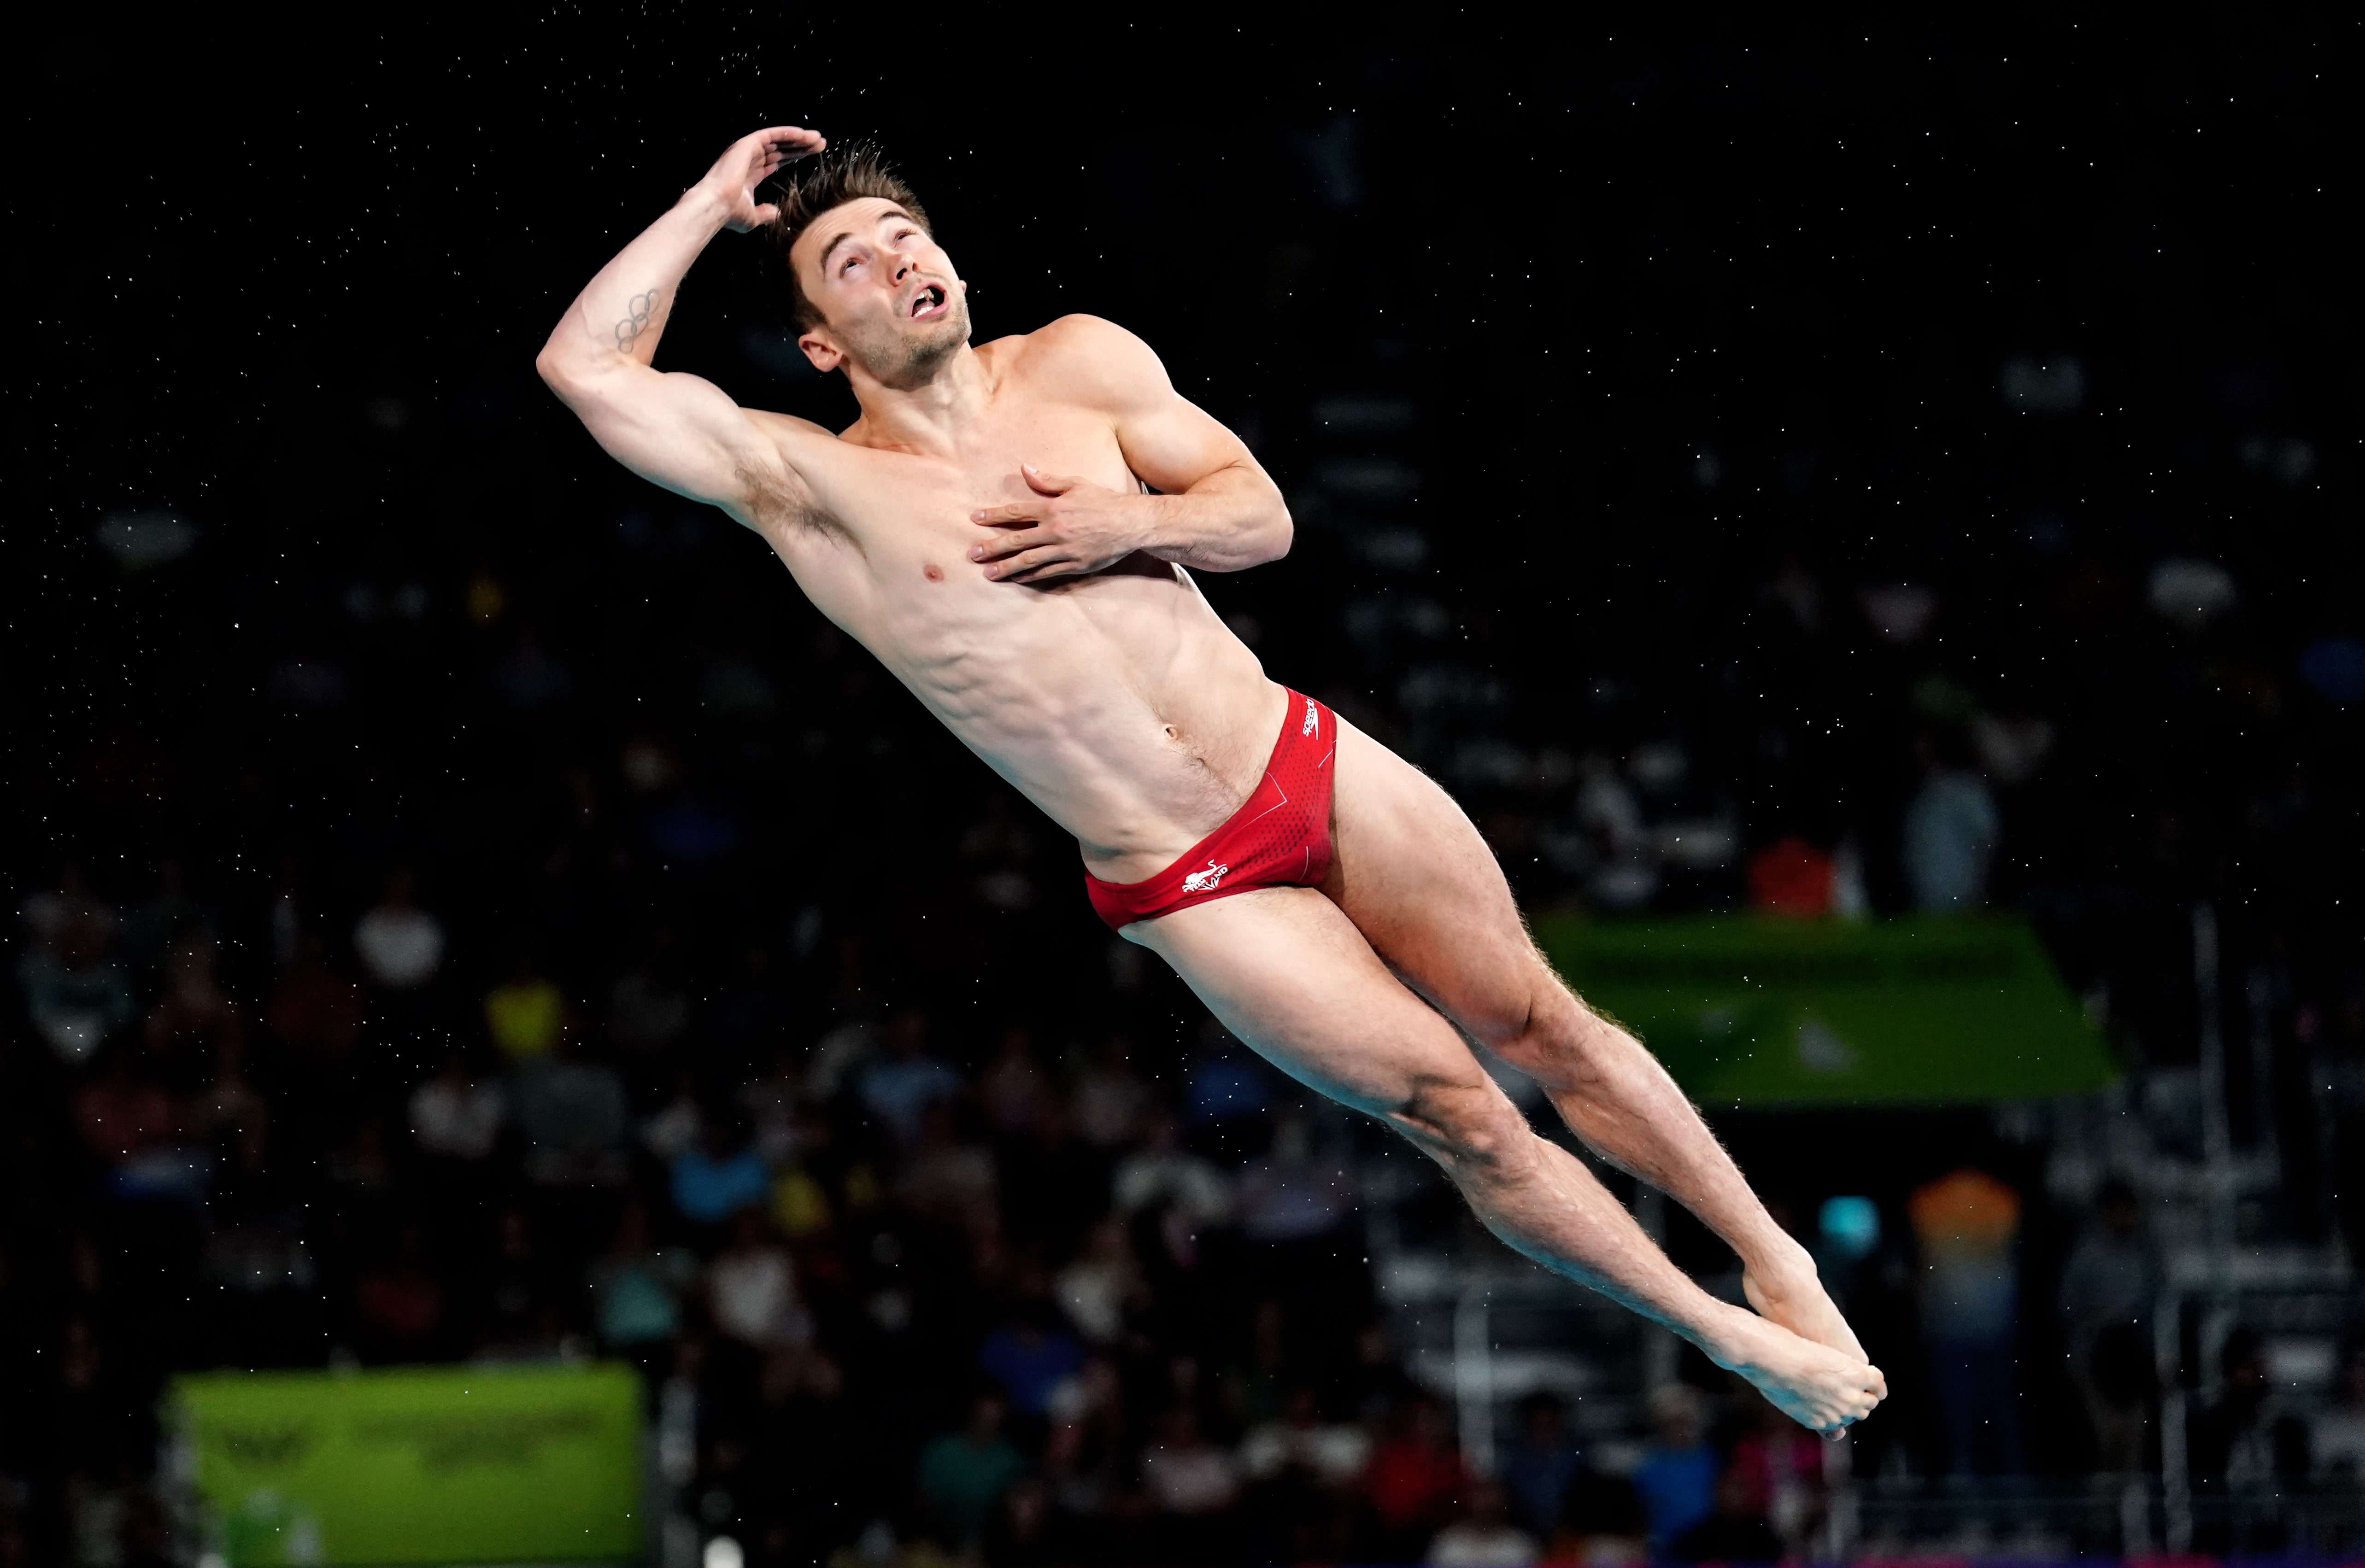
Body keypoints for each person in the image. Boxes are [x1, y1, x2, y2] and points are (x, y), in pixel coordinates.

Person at [538, 126, 1883, 1431]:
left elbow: (1263, 516)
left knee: (1544, 1020)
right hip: (1190, 876)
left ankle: (1775, 1258)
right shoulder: (811, 482)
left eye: (908, 236)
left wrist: (1127, 520)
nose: (898, 263)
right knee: (1463, 1114)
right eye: (852, 265)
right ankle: (1725, 1335)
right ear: (823, 346)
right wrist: (716, 203)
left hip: (1299, 753)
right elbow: (585, 369)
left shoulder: (1080, 361)